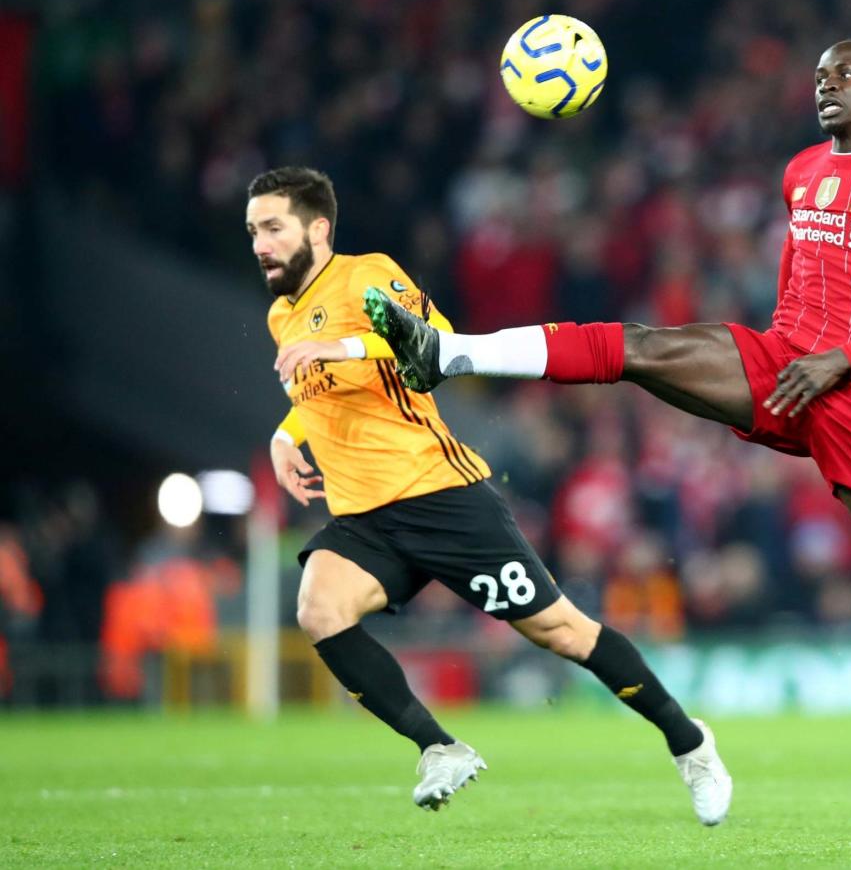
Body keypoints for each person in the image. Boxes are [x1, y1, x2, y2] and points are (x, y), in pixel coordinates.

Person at [364, 36, 851, 830]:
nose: (828, 86)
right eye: (821, 75)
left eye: (847, 74)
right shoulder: (803, 170)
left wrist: (840, 361)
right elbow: (802, 282)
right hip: (787, 365)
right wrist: (779, 361)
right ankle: (451, 351)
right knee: (647, 348)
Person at [247, 166, 731, 823]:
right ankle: (439, 748)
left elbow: (436, 341)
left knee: (559, 630)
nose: (260, 243)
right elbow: (314, 391)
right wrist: (285, 435)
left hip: (439, 493)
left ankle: (688, 740)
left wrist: (340, 343)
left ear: (318, 228)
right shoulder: (283, 314)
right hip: (364, 514)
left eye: (273, 227)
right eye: (253, 230)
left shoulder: (365, 276)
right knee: (319, 609)